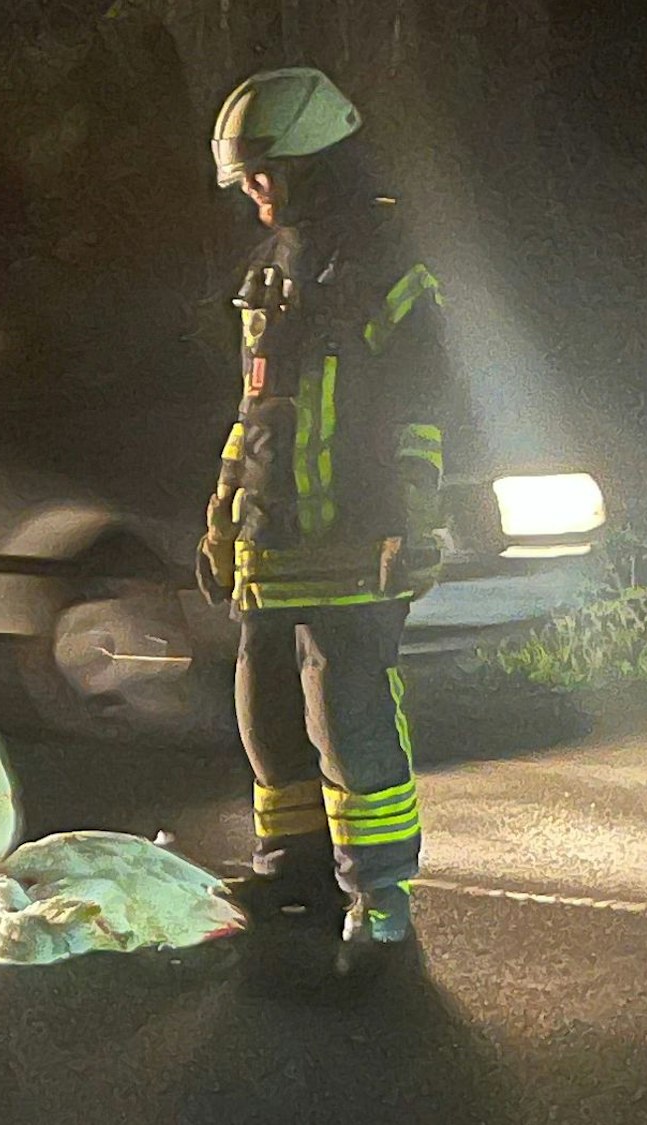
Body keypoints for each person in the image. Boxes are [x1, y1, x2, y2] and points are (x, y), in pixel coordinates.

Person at [196, 67, 450, 973]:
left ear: (315, 161)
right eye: (247, 178)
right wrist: (226, 510)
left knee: (348, 711)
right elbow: (256, 407)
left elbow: (424, 408)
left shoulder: (389, 269)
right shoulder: (268, 272)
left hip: (355, 537)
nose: (255, 192)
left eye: (266, 174)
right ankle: (290, 869)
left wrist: (416, 516)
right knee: (265, 711)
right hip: (274, 533)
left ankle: (379, 887)